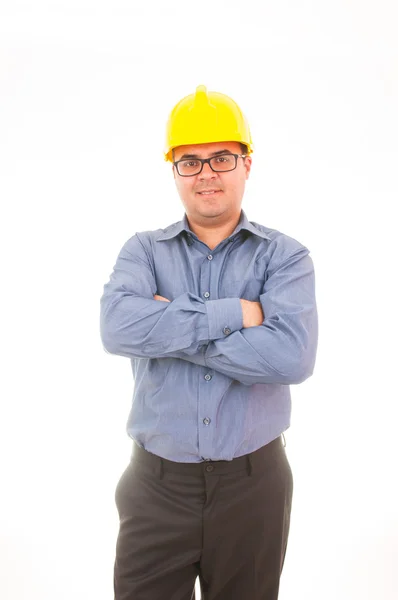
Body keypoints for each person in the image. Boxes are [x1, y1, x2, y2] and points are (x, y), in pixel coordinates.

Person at [100, 84, 318, 600]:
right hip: (155, 488)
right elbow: (117, 329)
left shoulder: (285, 258)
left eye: (221, 157)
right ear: (173, 170)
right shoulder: (143, 251)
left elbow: (291, 357)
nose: (207, 174)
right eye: (190, 162)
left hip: (253, 487)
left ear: (246, 163)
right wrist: (236, 315)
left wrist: (167, 327)